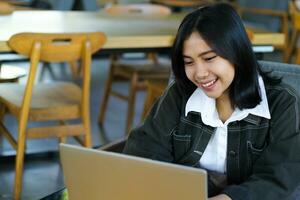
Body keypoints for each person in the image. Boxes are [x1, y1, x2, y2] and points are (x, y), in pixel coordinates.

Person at [123, 3, 300, 200]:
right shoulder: (180, 95)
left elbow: (281, 177)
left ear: (236, 52)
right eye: (189, 62)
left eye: (209, 58)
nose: (199, 74)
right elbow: (144, 150)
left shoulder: (282, 102)